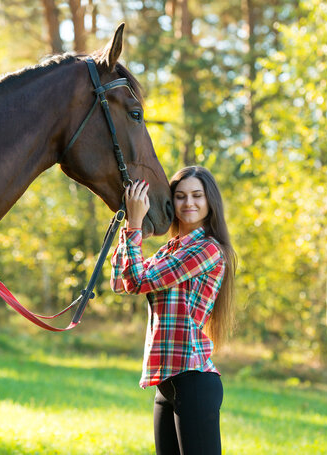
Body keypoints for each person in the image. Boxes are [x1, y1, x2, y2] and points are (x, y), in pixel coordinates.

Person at [110, 166, 237, 455]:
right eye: (180, 196)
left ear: (209, 202)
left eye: (196, 195)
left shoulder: (207, 249)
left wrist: (134, 224)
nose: (188, 203)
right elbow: (122, 282)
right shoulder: (169, 251)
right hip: (168, 383)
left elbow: (138, 279)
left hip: (192, 381)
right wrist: (130, 225)